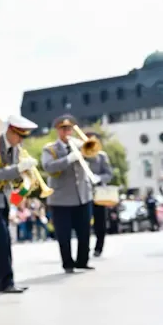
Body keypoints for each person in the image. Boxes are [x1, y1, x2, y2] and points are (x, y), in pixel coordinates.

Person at [0, 114, 38, 293]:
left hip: (4, 197)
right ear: (11, 131)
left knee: (5, 241)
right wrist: (17, 169)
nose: (20, 140)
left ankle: (7, 281)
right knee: (2, 239)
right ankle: (4, 282)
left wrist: (25, 177)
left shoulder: (15, 147)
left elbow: (12, 175)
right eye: (19, 136)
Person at [41, 115, 99, 273]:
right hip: (61, 198)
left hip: (82, 195)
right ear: (58, 131)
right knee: (64, 234)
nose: (67, 131)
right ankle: (67, 263)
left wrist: (87, 152)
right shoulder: (50, 148)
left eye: (69, 128)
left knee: (84, 231)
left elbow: (95, 159)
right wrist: (69, 158)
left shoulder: (80, 144)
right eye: (63, 129)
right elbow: (48, 167)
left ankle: (83, 261)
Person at [84, 131, 114, 257]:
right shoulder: (81, 155)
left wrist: (99, 178)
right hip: (84, 191)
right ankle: (84, 248)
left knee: (100, 222)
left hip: (98, 192)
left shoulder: (101, 156)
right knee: (84, 222)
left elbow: (109, 174)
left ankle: (98, 247)